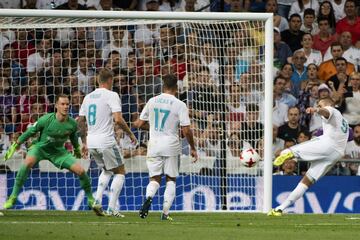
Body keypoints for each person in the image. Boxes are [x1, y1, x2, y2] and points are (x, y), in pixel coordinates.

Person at [2, 94, 102, 215]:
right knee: (27, 163)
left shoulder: (72, 123)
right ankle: (12, 198)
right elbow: (30, 132)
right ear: (56, 106)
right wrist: (15, 145)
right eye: (62, 104)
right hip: (40, 148)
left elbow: (73, 136)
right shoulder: (46, 119)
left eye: (67, 104)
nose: (65, 107)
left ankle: (91, 200)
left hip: (58, 152)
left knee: (81, 171)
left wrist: (76, 149)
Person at [268, 97, 349, 216]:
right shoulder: (344, 121)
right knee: (306, 181)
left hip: (329, 145)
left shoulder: (332, 110)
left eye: (320, 105)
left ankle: (286, 154)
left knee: (301, 146)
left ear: (328, 104)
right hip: (336, 154)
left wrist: (316, 110)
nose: (320, 107)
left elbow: (326, 111)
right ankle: (280, 208)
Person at [133, 74, 198, 221]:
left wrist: (154, 128)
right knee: (171, 179)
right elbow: (186, 130)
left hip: (154, 144)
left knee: (154, 179)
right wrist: (193, 148)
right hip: (171, 144)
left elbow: (139, 124)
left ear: (163, 86)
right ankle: (165, 213)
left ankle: (149, 197)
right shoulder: (180, 104)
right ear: (176, 87)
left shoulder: (152, 101)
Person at [78, 69, 137, 217]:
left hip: (91, 141)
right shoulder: (112, 95)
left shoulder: (88, 97)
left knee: (107, 170)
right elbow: (118, 119)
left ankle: (97, 200)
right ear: (110, 80)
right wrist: (130, 133)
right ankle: (112, 208)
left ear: (98, 80)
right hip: (106, 140)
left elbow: (80, 121)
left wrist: (84, 142)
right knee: (120, 172)